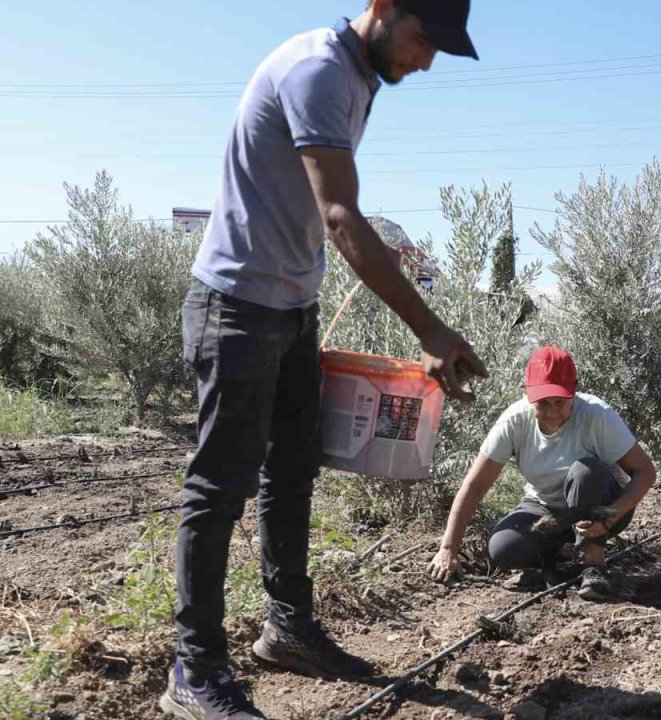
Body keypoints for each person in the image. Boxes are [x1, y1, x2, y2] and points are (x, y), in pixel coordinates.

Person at [166, 2, 484, 718]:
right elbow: (339, 216)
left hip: (289, 311)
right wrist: (431, 329)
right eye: (421, 39)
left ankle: (289, 631)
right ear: (382, 8)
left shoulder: (359, 75)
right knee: (218, 489)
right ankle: (193, 670)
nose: (426, 59)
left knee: (292, 471)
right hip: (237, 307)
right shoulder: (317, 68)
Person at [429, 346, 658, 601]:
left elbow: (645, 472)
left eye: (559, 402)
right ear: (528, 396)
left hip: (602, 504)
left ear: (574, 391)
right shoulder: (514, 421)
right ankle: (555, 553)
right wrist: (448, 548)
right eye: (542, 403)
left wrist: (610, 518)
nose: (551, 411)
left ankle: (594, 564)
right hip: (547, 507)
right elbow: (474, 487)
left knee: (584, 471)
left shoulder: (596, 415)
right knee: (503, 549)